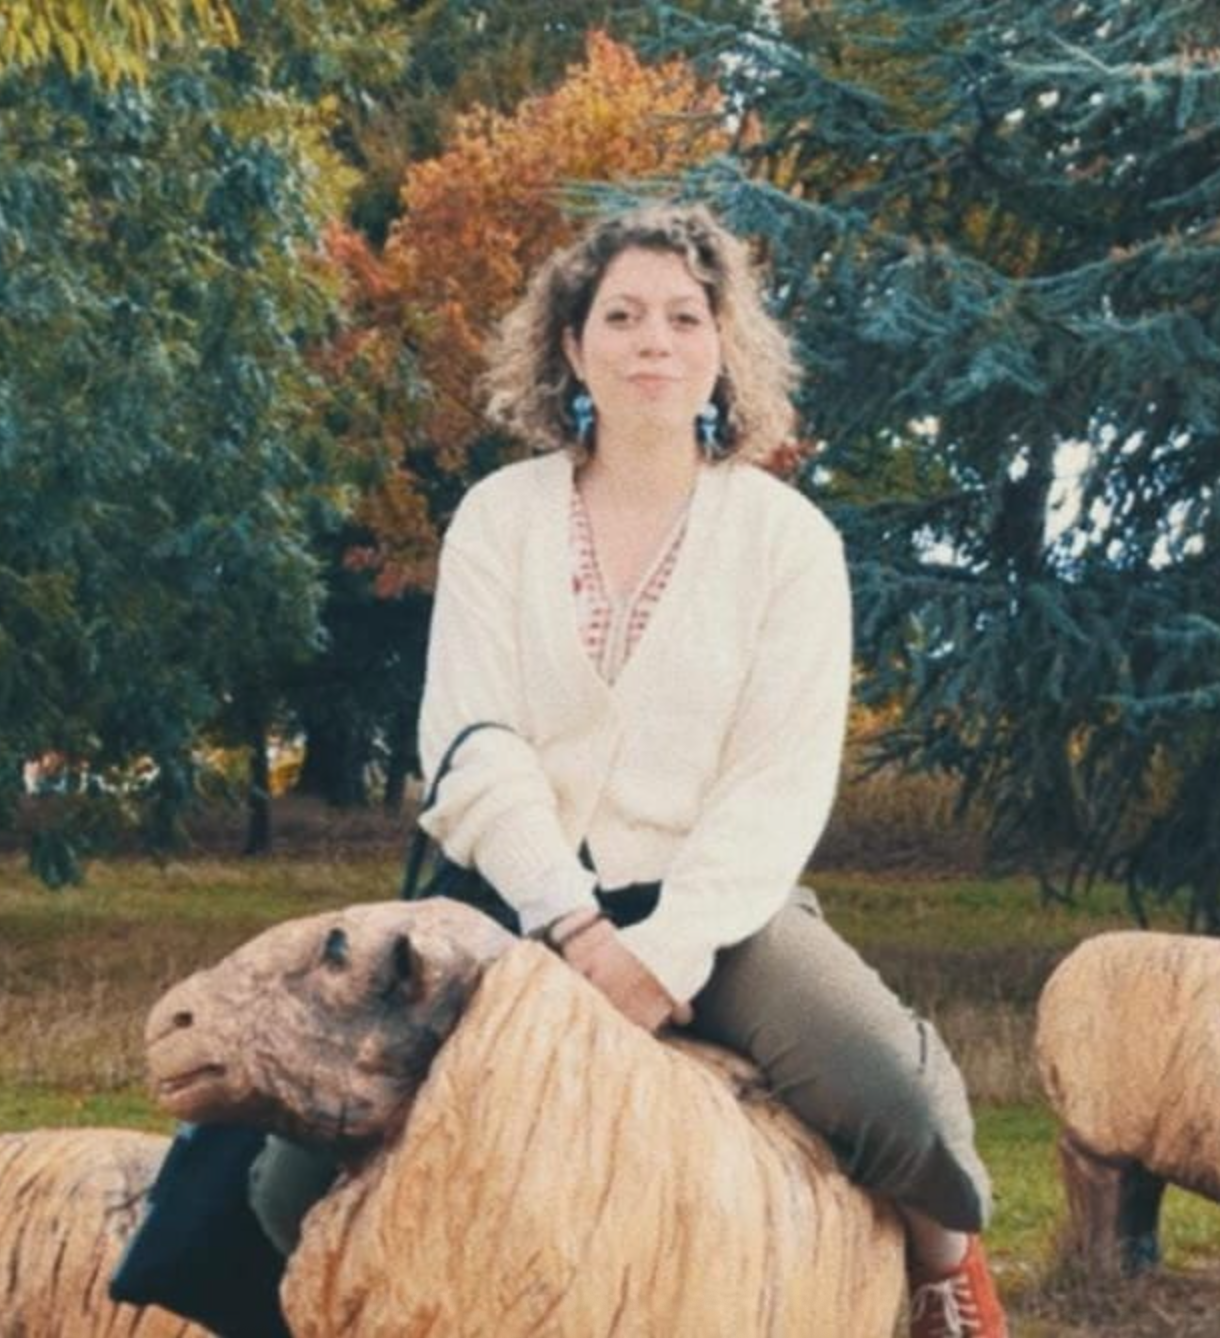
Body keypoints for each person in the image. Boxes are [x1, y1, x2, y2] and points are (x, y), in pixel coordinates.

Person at [410, 201, 1009, 1338]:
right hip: (514, 900)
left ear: (723, 348)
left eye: (686, 317)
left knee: (902, 1101)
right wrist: (575, 928)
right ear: (572, 345)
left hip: (720, 908)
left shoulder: (787, 542)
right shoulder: (498, 518)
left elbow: (776, 788)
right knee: (286, 1166)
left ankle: (945, 1279)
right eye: (622, 315)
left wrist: (667, 951)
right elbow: (471, 748)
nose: (654, 341)